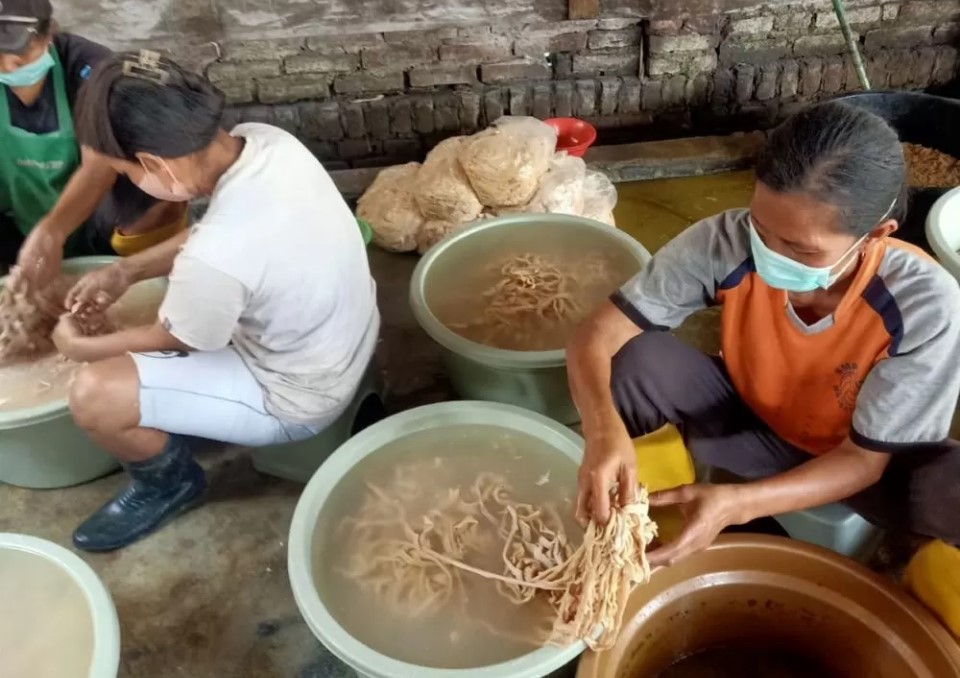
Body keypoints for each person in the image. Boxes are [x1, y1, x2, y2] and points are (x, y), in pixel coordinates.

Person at [567, 101, 960, 632]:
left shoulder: (923, 305)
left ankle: (922, 606)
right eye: (761, 228)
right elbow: (597, 335)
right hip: (751, 419)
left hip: (858, 464)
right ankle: (641, 522)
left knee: (950, 485)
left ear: (877, 233)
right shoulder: (725, 243)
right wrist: (601, 431)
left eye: (800, 249)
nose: (770, 254)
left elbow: (865, 462)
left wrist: (739, 503)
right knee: (635, 359)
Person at [50, 50, 379, 552]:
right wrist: (127, 269)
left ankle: (168, 484)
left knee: (94, 393)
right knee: (176, 307)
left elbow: (183, 338)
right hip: (351, 334)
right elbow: (222, 236)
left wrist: (80, 347)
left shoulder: (217, 254)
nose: (128, 183)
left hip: (297, 397)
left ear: (154, 164)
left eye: (123, 171)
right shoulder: (269, 144)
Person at [0, 0, 186, 277]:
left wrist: (51, 232)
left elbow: (99, 165)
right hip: (16, 204)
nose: (7, 68)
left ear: (49, 33)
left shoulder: (92, 68)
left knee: (153, 200)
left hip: (100, 204)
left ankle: (142, 274)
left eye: (17, 57)